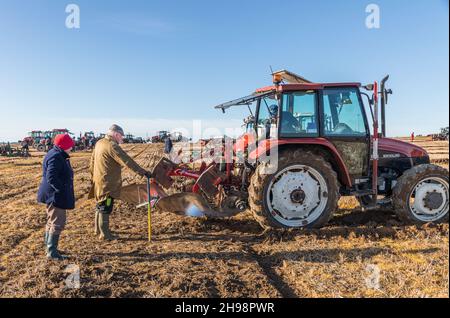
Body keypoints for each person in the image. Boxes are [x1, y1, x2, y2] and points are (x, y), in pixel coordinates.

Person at [89, 124, 152, 240]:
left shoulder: (99, 143)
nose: (122, 139)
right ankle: (105, 234)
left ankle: (97, 230)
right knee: (106, 206)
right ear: (116, 134)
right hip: (108, 183)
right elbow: (127, 161)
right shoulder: (112, 146)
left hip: (98, 181)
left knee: (99, 204)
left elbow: (92, 161)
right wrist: (143, 172)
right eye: (121, 136)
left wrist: (93, 177)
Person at [37, 134, 75, 261]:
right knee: (57, 222)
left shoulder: (57, 154)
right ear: (64, 146)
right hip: (54, 195)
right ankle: (52, 252)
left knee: (51, 220)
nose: (71, 148)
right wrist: (61, 189)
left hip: (53, 194)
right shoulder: (56, 156)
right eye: (70, 146)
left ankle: (49, 247)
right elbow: (51, 176)